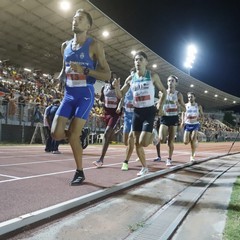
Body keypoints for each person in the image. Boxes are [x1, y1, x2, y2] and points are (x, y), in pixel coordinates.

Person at [51, 9, 111, 186]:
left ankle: (79, 172)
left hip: (85, 94)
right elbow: (64, 68)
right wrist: (60, 79)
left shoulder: (95, 46)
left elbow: (107, 74)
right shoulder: (65, 46)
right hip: (69, 95)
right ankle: (81, 133)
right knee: (55, 134)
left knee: (72, 136)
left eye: (80, 19)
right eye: (74, 18)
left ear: (88, 26)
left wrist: (85, 70)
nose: (75, 21)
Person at [113, 51, 166, 176]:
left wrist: (160, 105)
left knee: (144, 143)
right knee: (136, 142)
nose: (138, 62)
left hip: (149, 111)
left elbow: (164, 91)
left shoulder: (152, 75)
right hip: (137, 112)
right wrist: (116, 87)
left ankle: (153, 134)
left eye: (140, 59)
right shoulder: (131, 78)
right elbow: (120, 95)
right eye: (136, 60)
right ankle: (144, 167)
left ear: (146, 62)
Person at [92, 72, 122, 167]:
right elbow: (101, 99)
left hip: (115, 114)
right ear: (109, 80)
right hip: (106, 113)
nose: (113, 80)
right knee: (108, 135)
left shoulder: (119, 89)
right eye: (112, 79)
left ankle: (101, 159)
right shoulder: (104, 88)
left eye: (115, 79)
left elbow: (122, 98)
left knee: (106, 133)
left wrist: (119, 107)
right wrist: (100, 104)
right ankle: (115, 132)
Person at [158, 75, 186, 166]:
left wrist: (178, 105)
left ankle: (169, 158)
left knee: (170, 141)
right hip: (165, 117)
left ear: (176, 83)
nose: (170, 82)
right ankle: (156, 138)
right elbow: (158, 106)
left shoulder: (178, 94)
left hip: (174, 118)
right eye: (169, 81)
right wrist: (159, 104)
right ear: (167, 82)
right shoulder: (163, 93)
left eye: (172, 81)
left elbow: (184, 109)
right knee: (161, 139)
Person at [181, 92, 203, 161]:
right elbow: (183, 113)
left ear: (194, 97)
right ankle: (196, 137)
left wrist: (201, 118)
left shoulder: (198, 106)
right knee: (185, 142)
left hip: (195, 124)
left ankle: (192, 156)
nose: (190, 98)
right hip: (187, 124)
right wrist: (182, 121)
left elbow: (202, 114)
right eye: (189, 97)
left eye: (191, 97)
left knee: (193, 139)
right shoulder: (185, 105)